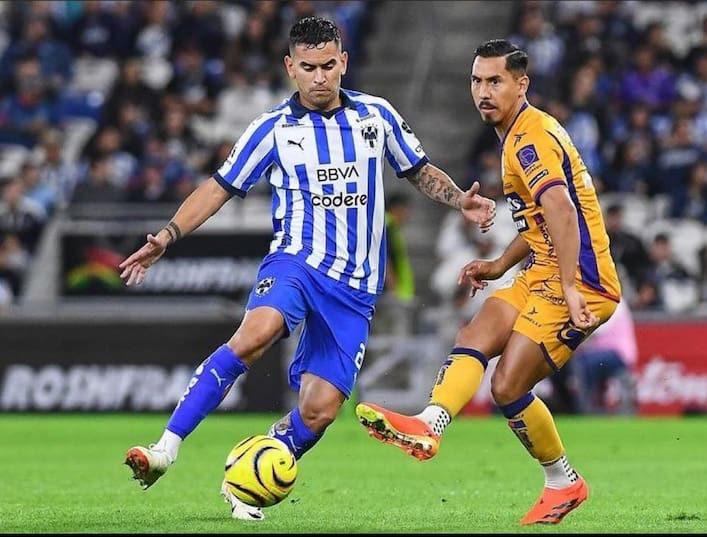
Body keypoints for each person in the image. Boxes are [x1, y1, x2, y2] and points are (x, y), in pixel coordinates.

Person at [120, 16, 496, 522]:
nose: (319, 77)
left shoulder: (375, 116)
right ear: (289, 68)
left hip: (354, 291)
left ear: (342, 62)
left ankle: (249, 475)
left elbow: (418, 170)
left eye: (327, 66)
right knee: (255, 334)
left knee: (319, 412)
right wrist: (166, 237)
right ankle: (165, 447)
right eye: (307, 68)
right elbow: (219, 187)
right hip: (298, 263)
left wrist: (461, 202)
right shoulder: (272, 128)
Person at [355, 39, 621, 525]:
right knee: (474, 335)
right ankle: (429, 425)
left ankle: (563, 481)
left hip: (582, 281)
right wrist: (500, 264)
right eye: (477, 80)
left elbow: (560, 211)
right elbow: (540, 221)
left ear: (521, 84)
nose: (483, 91)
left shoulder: (529, 139)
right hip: (542, 268)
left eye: (495, 81)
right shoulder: (515, 135)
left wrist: (569, 287)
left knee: (506, 385)